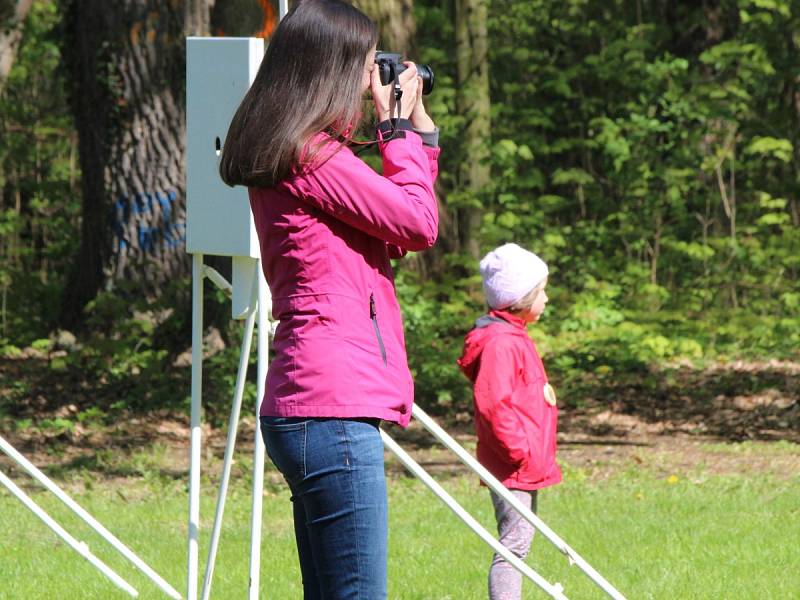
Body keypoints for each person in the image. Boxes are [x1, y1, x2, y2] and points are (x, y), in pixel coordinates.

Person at [218, 1, 439, 598]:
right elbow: (418, 223)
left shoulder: (296, 152)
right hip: (331, 408)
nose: (373, 83)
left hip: (310, 402)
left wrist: (418, 137)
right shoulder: (312, 156)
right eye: (366, 68)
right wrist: (393, 132)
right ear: (332, 71)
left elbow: (396, 229)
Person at [457, 243, 562, 600]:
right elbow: (493, 405)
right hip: (513, 465)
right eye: (541, 291)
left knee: (519, 542)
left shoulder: (514, 336)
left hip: (523, 464)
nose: (546, 299)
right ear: (520, 297)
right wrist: (519, 451)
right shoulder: (501, 343)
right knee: (513, 547)